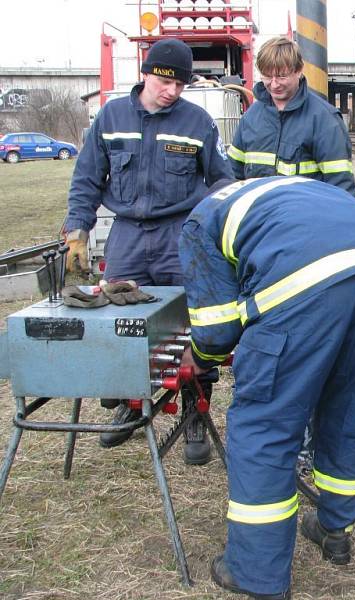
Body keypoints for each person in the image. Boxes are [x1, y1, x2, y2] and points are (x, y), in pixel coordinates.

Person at [178, 176, 355, 599]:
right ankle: (334, 529)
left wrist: (200, 358)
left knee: (264, 425)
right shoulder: (284, 191)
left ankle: (255, 574)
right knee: (352, 410)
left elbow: (214, 330)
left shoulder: (198, 223)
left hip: (307, 286)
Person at [64, 38, 234, 464]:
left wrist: (210, 230)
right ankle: (131, 403)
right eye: (164, 80)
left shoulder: (199, 123)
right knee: (122, 323)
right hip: (126, 237)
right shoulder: (111, 117)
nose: (171, 91)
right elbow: (87, 178)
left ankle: (195, 413)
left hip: (179, 236)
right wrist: (77, 230)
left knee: (189, 324)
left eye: (180, 84)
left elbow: (222, 181)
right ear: (145, 73)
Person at [227, 37, 355, 197]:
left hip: (304, 220)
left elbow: (341, 190)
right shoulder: (250, 118)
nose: (274, 84)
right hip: (259, 219)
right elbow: (232, 176)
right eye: (267, 76)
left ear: (299, 70)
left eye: (282, 76)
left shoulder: (325, 120)